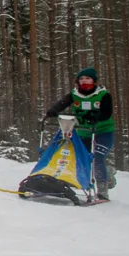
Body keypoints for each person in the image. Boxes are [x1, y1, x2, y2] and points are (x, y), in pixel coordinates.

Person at [43, 67, 116, 201]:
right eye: (81, 79)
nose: (84, 81)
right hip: (84, 131)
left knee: (97, 157)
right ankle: (93, 178)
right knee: (80, 158)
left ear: (93, 81)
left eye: (87, 78)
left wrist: (95, 117)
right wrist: (52, 111)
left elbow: (106, 113)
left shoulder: (103, 95)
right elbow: (62, 104)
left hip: (103, 132)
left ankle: (103, 191)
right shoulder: (75, 94)